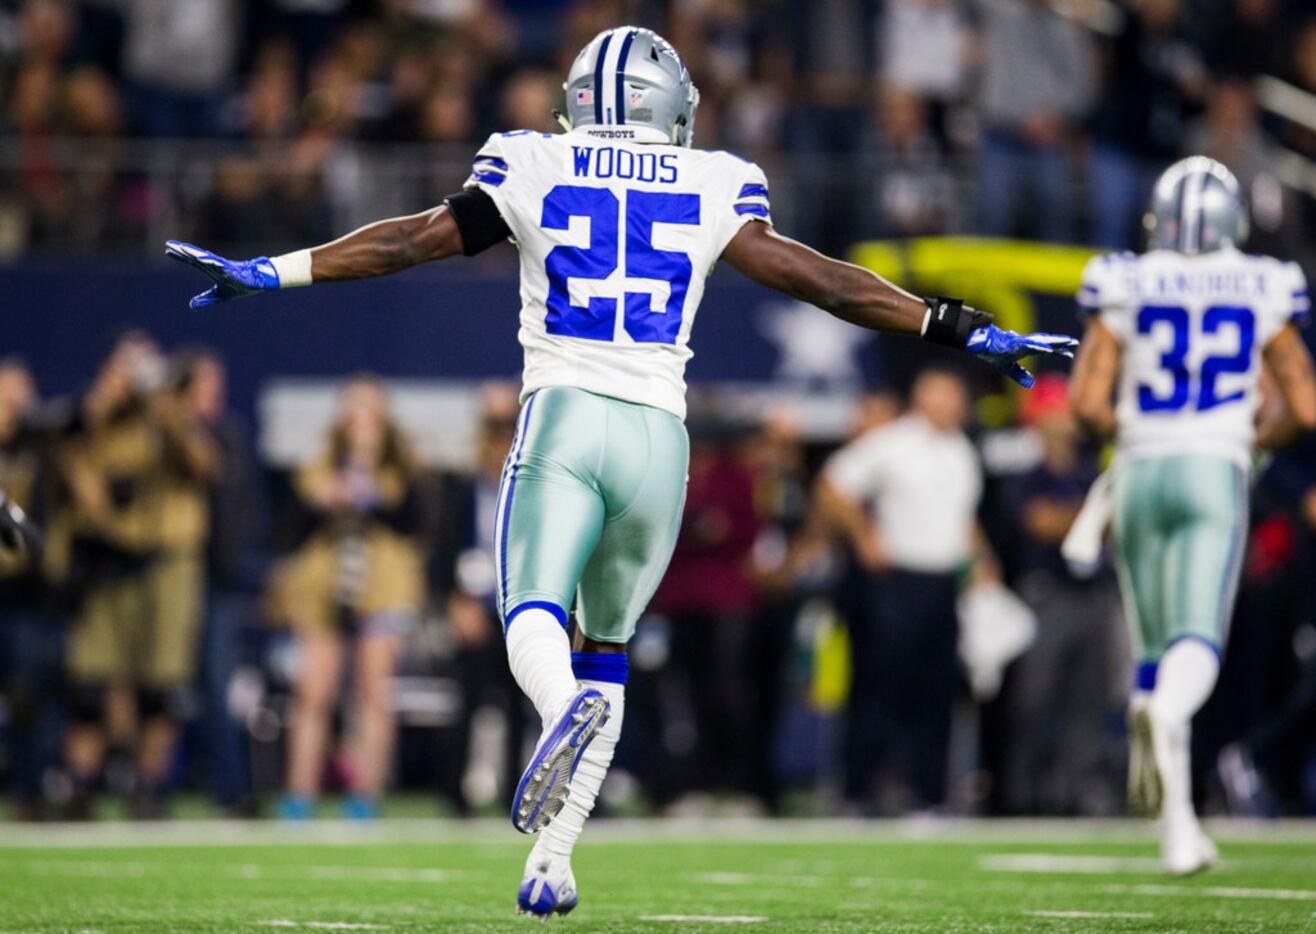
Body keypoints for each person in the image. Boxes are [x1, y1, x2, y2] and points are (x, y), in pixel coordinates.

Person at [164, 25, 1075, 916]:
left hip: (566, 414)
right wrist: (959, 326)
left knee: (530, 614)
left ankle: (557, 711)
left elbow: (410, 240)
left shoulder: (533, 159)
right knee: (607, 650)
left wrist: (273, 271)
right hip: (660, 439)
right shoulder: (716, 177)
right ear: (667, 105)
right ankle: (553, 862)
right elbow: (822, 280)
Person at [1069, 156, 1316, 874]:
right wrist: (1249, 439)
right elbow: (1304, 407)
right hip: (1213, 466)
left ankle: (1178, 827)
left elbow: (1087, 405)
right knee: (1196, 639)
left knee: (1154, 652)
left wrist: (1141, 434)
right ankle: (1171, 721)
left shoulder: (1124, 276)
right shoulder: (1265, 280)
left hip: (1140, 468)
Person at [817, 367, 983, 813]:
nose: (956, 406)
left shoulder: (962, 450)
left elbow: (961, 518)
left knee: (936, 692)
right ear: (925, 398)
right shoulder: (893, 442)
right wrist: (864, 535)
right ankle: (857, 791)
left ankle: (927, 794)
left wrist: (982, 561)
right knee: (880, 688)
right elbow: (835, 481)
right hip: (897, 582)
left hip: (944, 582)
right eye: (948, 396)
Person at [266, 375, 424, 820]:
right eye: (354, 414)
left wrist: (370, 489)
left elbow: (415, 524)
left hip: (382, 590)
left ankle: (366, 794)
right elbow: (289, 533)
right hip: (324, 590)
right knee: (313, 693)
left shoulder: (402, 471)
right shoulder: (315, 470)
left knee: (373, 695)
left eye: (371, 414)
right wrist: (327, 498)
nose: (362, 424)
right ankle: (299, 793)